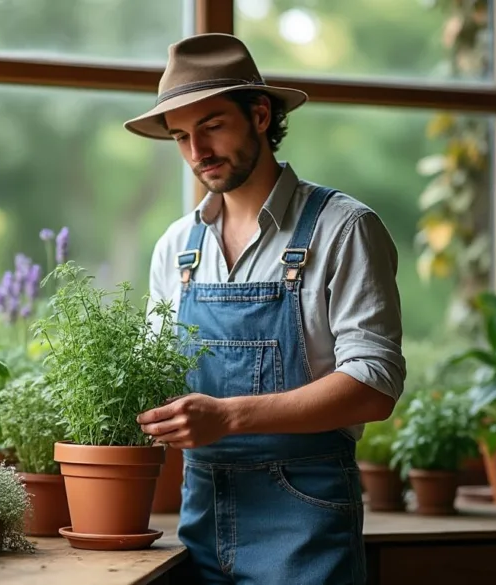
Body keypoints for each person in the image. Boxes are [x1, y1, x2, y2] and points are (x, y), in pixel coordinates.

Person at [124, 33, 406, 585]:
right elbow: (148, 375)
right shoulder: (177, 247)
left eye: (211, 126)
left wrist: (228, 416)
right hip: (199, 523)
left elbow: (375, 385)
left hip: (306, 522)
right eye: (180, 137)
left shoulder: (342, 228)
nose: (196, 152)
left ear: (258, 114)